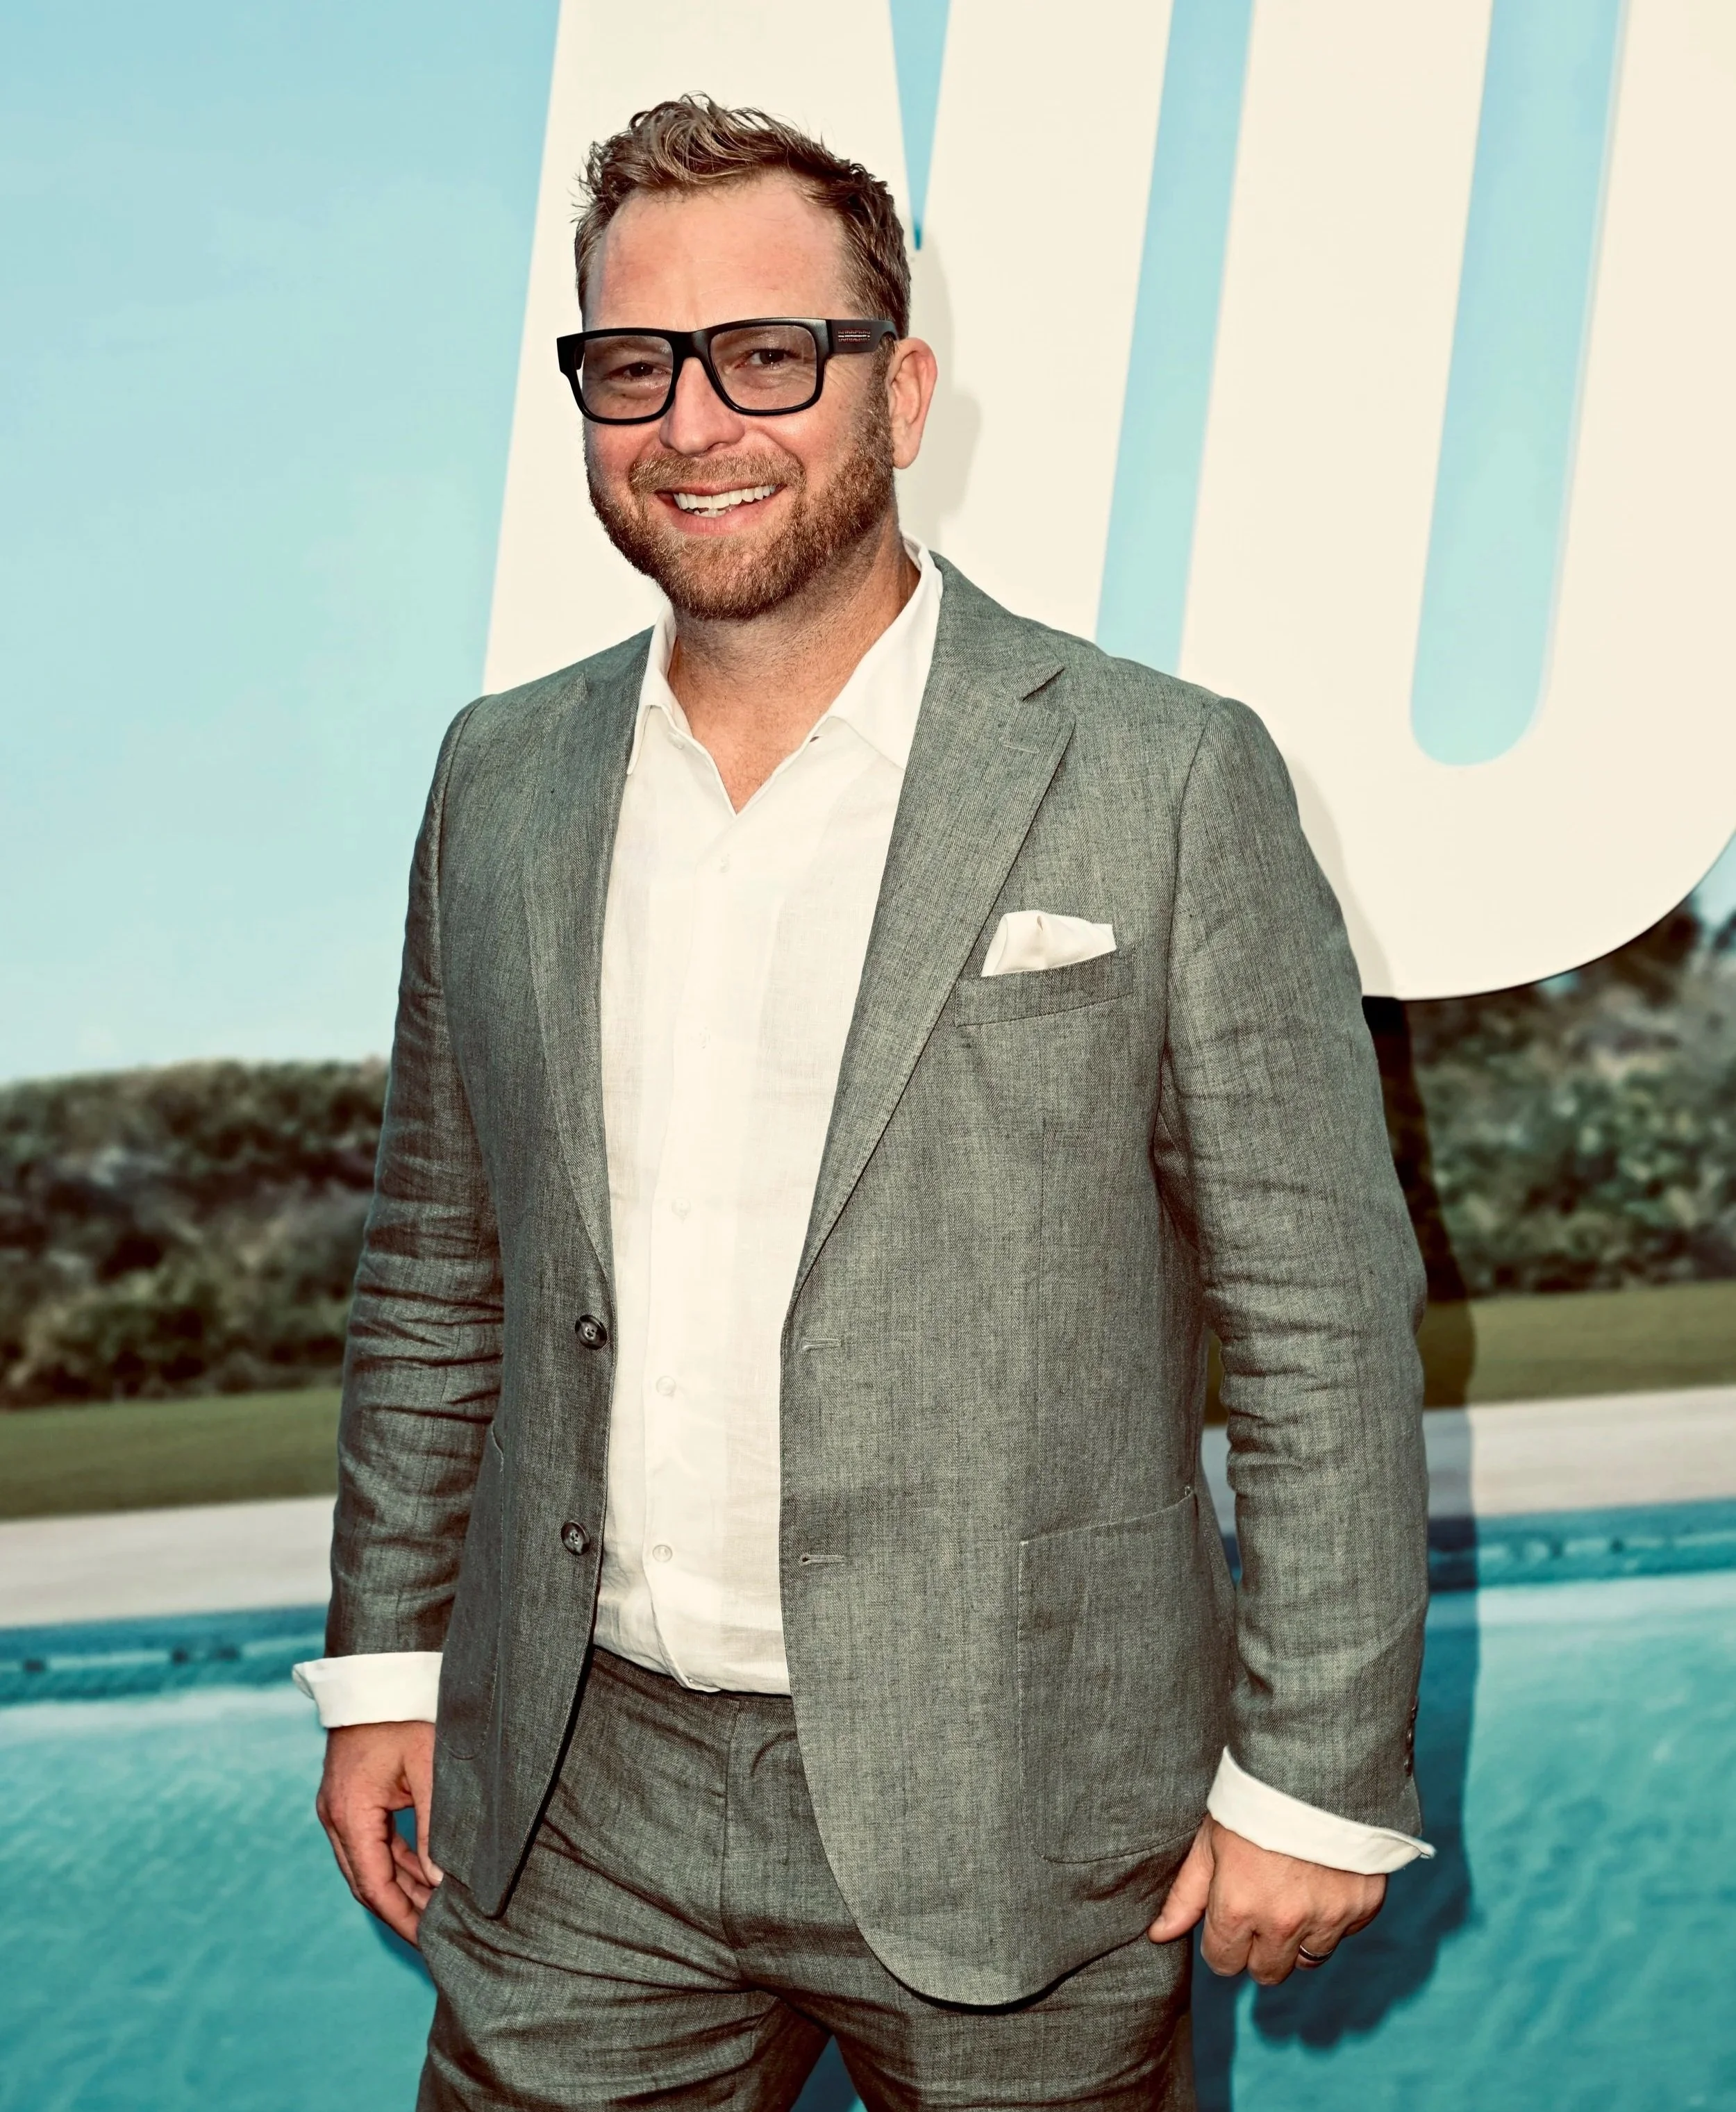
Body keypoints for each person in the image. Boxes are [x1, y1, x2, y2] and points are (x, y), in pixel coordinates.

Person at [295, 94, 1431, 2111]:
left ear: (895, 386)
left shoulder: (1162, 778)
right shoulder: (501, 779)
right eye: (629, 365)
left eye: (767, 355)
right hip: (577, 1805)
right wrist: (389, 1663)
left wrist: (1318, 1775)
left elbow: (1319, 1319)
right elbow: (437, 1261)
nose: (692, 423)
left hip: (1025, 1799)